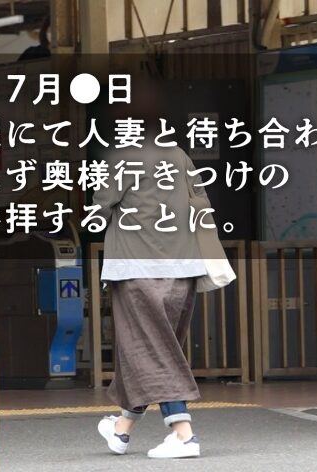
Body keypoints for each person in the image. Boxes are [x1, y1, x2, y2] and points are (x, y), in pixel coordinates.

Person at [92, 89, 209, 458]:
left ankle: (183, 434)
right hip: (183, 269)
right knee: (149, 346)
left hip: (138, 269)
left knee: (154, 350)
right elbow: (201, 204)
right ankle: (122, 429)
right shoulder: (180, 155)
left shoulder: (121, 157)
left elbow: (100, 205)